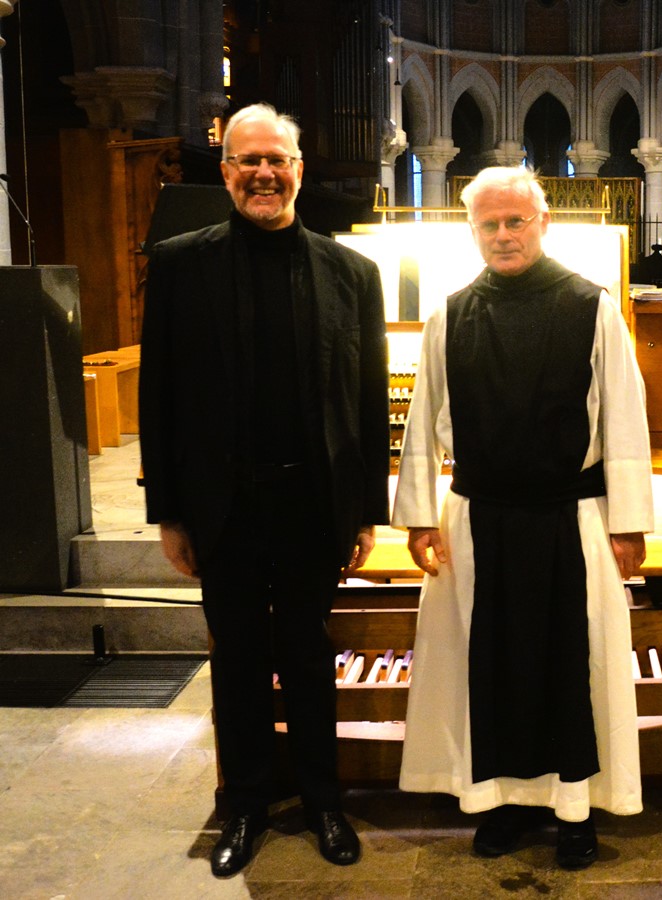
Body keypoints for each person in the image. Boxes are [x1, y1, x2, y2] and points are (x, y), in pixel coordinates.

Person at [139, 102, 389, 877]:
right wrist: (168, 511)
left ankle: (323, 801)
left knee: (311, 657)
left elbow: (369, 400)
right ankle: (245, 805)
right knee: (240, 660)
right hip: (225, 506)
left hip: (313, 503)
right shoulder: (181, 263)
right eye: (249, 161)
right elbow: (160, 396)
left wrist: (366, 510)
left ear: (299, 170)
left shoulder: (353, 272)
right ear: (225, 172)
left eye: (277, 160)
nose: (264, 173)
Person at [392, 166, 653, 870]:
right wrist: (419, 515)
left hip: (571, 518)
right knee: (490, 664)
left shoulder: (588, 306)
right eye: (489, 224)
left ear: (542, 222)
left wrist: (630, 523)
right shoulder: (452, 312)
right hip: (478, 520)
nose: (503, 235)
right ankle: (499, 801)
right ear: (471, 230)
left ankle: (575, 810)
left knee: (573, 665)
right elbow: (424, 419)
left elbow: (624, 417)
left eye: (516, 221)